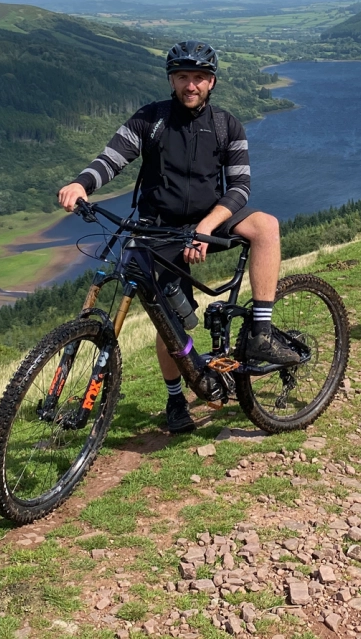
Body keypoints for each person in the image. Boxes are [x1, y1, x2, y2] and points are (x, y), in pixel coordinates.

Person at [58, 39, 297, 433]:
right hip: (159, 226)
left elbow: (239, 189)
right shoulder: (149, 120)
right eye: (183, 77)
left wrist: (205, 227)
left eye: (200, 78)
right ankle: (175, 399)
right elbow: (111, 158)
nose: (191, 85)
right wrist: (82, 184)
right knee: (169, 323)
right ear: (172, 80)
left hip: (211, 218)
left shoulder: (226, 125)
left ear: (212, 83)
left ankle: (261, 331)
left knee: (266, 225)